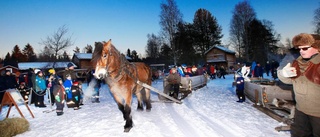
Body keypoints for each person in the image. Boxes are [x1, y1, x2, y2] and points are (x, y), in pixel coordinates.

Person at [277, 33, 320, 137]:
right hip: (301, 111)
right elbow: (289, 81)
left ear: (317, 48)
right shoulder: (297, 62)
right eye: (299, 49)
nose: (301, 51)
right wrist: (284, 73)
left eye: (305, 48)